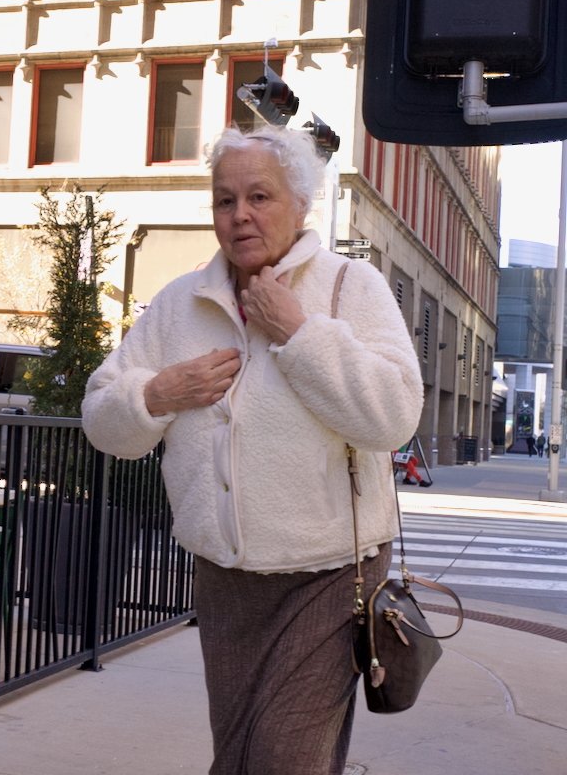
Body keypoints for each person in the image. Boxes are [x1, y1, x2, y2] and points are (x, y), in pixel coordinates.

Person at [82, 124, 422, 775]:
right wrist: (157, 393)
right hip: (226, 576)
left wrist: (298, 332)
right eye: (224, 199)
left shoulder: (352, 288)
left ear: (301, 203)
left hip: (330, 574)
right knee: (238, 753)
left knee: (282, 759)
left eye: (259, 196)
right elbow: (101, 417)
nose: (239, 215)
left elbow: (395, 417)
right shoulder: (181, 303)